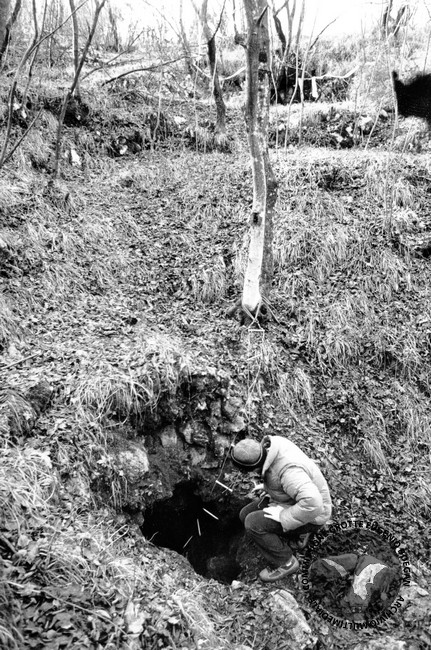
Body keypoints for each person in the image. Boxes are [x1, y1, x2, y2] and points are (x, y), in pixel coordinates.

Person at [230, 435, 332, 583]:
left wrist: (283, 516)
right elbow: (278, 479)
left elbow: (314, 504)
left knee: (252, 523)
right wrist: (268, 488)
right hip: (295, 502)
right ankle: (297, 534)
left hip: (314, 515)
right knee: (244, 514)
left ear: (253, 467)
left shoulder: (289, 472)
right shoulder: (272, 448)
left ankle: (286, 562)